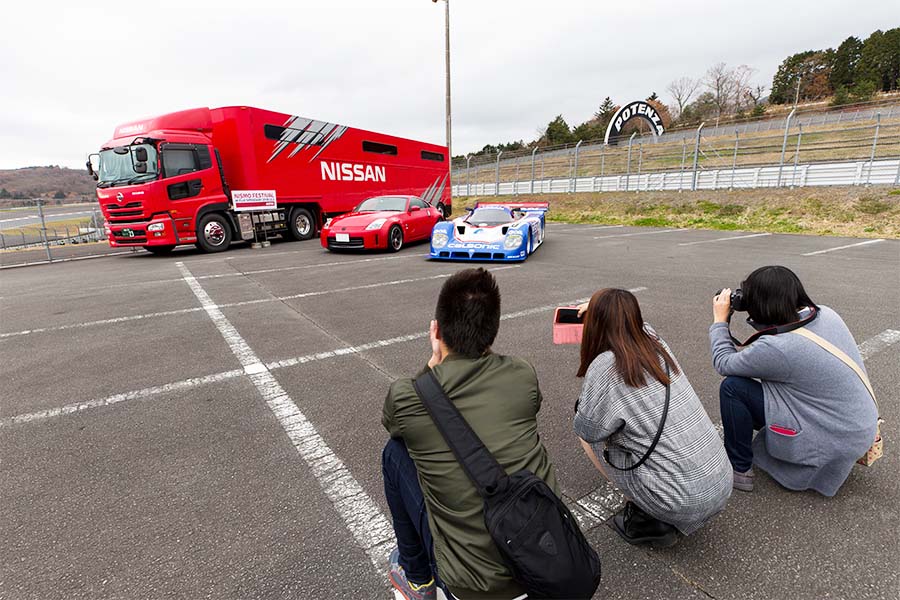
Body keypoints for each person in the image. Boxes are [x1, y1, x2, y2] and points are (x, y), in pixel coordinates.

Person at [382, 267, 558, 600]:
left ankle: (418, 580)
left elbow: (395, 424)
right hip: (543, 560)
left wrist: (432, 365)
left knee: (394, 453)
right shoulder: (523, 374)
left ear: (437, 329)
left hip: (470, 586)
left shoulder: (408, 396)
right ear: (492, 332)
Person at [573, 288, 732, 548]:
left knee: (589, 435)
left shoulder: (604, 367)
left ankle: (645, 511)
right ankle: (657, 504)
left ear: (594, 325)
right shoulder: (656, 343)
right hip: (722, 482)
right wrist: (601, 307)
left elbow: (588, 430)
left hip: (681, 501)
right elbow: (637, 324)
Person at [711, 265, 878, 495]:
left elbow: (723, 363)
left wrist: (720, 321)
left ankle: (739, 470)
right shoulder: (826, 314)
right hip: (858, 430)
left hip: (831, 439)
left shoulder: (778, 349)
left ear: (762, 304)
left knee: (733, 388)